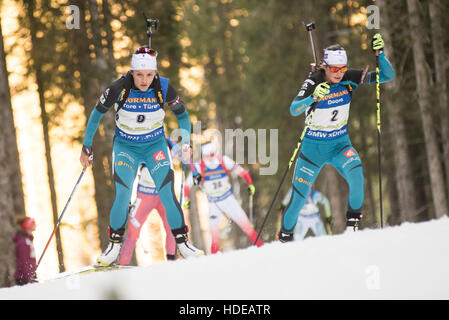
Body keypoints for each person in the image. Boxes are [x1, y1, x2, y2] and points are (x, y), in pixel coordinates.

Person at [80, 46, 204, 265]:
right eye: (139, 75)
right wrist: (87, 147)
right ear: (132, 72)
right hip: (126, 147)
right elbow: (96, 114)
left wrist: (185, 142)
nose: (144, 80)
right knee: (123, 193)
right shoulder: (119, 87)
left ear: (155, 73)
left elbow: (183, 117)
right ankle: (113, 247)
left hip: (154, 145)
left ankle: (183, 244)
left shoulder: (163, 86)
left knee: (167, 193)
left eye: (149, 75)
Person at [279, 34, 395, 242]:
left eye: (342, 68)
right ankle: (285, 238)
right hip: (312, 151)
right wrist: (313, 97)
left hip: (340, 145)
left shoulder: (349, 77)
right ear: (324, 66)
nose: (339, 73)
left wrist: (380, 54)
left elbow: (387, 76)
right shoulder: (313, 81)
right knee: (298, 199)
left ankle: (352, 229)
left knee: (357, 174)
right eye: (334, 69)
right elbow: (293, 109)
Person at [183, 142, 263, 254]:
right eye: (209, 155)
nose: (211, 157)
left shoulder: (224, 160)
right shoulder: (198, 166)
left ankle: (262, 248)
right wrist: (187, 199)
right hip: (214, 204)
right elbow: (187, 185)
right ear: (204, 155)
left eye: (213, 154)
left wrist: (250, 184)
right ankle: (214, 258)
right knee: (214, 235)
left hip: (228, 199)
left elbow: (242, 172)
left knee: (247, 227)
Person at [118, 138, 181, 265]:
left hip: (164, 195)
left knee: (172, 229)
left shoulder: (168, 141)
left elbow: (182, 154)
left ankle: (172, 263)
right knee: (132, 234)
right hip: (145, 196)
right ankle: (121, 267)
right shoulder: (137, 143)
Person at [13, 216, 37, 285]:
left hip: (29, 275)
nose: (35, 225)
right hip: (23, 278)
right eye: (33, 223)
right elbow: (24, 261)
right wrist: (28, 277)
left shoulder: (28, 240)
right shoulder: (23, 242)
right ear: (28, 226)